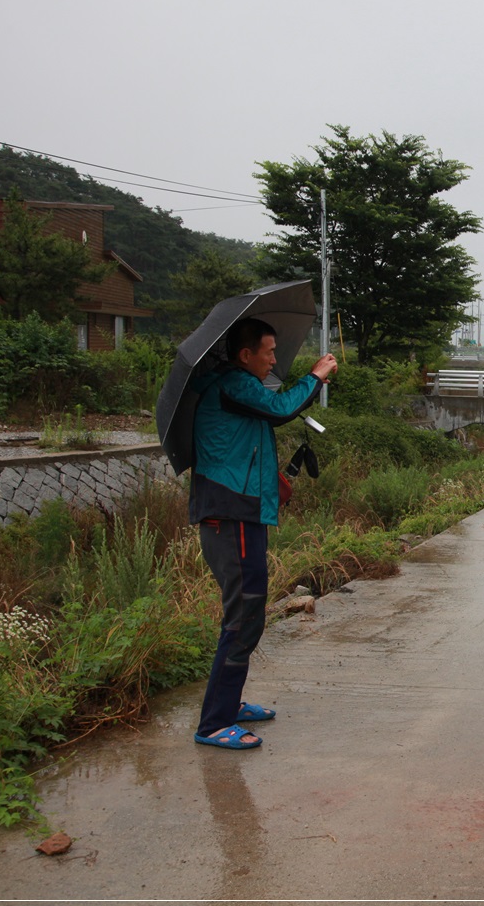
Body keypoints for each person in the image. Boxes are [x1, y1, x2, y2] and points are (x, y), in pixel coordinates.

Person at [189, 318, 337, 750]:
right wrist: (315, 376)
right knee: (244, 615)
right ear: (245, 355)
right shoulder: (233, 383)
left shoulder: (236, 386)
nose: (273, 360)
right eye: (268, 352)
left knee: (247, 613)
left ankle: (228, 704)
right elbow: (280, 408)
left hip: (240, 514)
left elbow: (271, 412)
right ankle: (214, 723)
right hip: (231, 515)